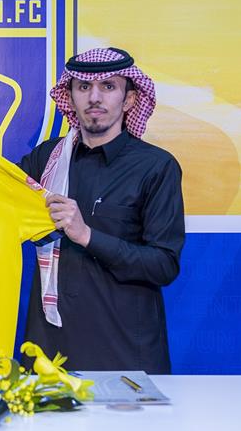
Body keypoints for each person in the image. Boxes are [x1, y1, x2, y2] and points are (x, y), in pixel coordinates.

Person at [19, 47, 185, 373]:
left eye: (108, 86)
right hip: (49, 353)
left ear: (130, 99)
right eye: (83, 87)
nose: (94, 97)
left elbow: (163, 265)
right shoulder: (46, 159)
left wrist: (86, 236)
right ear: (70, 97)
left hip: (125, 356)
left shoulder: (156, 167)